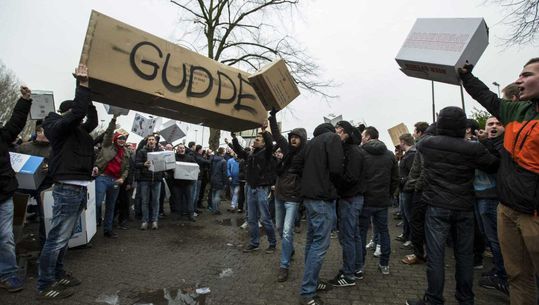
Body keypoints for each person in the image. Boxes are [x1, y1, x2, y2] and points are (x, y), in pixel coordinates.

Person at [460, 59, 539, 305]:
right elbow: (487, 98)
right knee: (517, 275)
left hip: (534, 216)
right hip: (507, 209)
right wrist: (466, 76)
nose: (518, 80)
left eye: (526, 75)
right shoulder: (518, 110)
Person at [405, 106, 499, 305]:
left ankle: (434, 299)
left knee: (436, 254)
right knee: (464, 256)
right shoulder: (473, 148)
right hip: (464, 206)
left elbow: (427, 134)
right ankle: (466, 299)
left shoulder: (427, 144)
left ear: (440, 123)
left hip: (436, 206)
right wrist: (483, 141)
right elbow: (493, 165)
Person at [38, 64, 98, 299]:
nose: (79, 114)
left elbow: (90, 120)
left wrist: (92, 96)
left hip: (80, 188)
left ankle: (59, 273)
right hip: (67, 189)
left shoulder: (80, 132)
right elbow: (76, 114)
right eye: (75, 111)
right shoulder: (55, 124)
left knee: (64, 239)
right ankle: (44, 284)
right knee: (56, 240)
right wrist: (82, 85)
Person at [298, 123, 343, 305]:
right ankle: (307, 292)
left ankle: (313, 283)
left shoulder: (310, 143)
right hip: (322, 198)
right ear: (331, 130)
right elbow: (336, 169)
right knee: (320, 245)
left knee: (312, 242)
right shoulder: (332, 138)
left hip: (309, 197)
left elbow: (299, 166)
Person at [268, 108, 307, 282]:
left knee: (286, 231)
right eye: (292, 136)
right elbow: (276, 135)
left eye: (296, 137)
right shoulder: (286, 148)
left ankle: (284, 265)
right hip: (279, 194)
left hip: (292, 198)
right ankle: (289, 249)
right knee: (278, 227)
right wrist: (273, 115)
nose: (293, 139)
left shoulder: (307, 153)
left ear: (303, 139)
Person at [0, 85, 32, 293]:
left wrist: (25, 100)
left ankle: (8, 273)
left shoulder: (2, 135)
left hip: (3, 195)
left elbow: (16, 122)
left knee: (5, 236)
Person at [358, 126, 399, 276]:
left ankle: (360, 266)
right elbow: (395, 179)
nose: (361, 137)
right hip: (382, 201)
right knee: (384, 232)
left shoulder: (361, 153)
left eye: (363, 135)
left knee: (361, 233)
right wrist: (388, 195)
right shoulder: (389, 155)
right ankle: (384, 264)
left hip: (365, 200)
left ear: (368, 137)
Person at [327, 121, 364, 287]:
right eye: (336, 131)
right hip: (350, 198)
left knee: (348, 237)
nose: (337, 134)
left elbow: (351, 178)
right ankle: (355, 268)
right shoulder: (347, 150)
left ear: (348, 133)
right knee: (353, 235)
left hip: (350, 198)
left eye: (341, 132)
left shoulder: (353, 151)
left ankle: (349, 275)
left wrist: (335, 181)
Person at [229, 126, 277, 254]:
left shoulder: (267, 153)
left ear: (264, 143)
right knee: (251, 218)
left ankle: (272, 243)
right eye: (255, 138)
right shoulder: (251, 154)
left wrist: (265, 131)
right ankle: (254, 243)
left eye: (258, 139)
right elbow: (239, 152)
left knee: (265, 218)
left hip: (261, 188)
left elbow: (270, 145)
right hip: (250, 188)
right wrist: (234, 138)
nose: (255, 140)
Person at [93, 115, 130, 238]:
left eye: (123, 139)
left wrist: (123, 178)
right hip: (102, 178)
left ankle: (107, 230)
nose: (121, 140)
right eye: (120, 138)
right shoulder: (108, 145)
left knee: (111, 206)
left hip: (115, 181)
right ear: (115, 139)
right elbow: (109, 133)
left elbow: (127, 168)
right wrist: (114, 120)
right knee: (97, 203)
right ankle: (93, 224)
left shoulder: (126, 152)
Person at [135, 134, 163, 230]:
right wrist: (143, 164)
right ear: (147, 141)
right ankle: (145, 221)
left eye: (153, 139)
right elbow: (136, 164)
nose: (151, 141)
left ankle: (154, 221)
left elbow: (165, 164)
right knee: (145, 201)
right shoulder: (142, 152)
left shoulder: (160, 152)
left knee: (155, 201)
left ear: (155, 141)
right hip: (145, 180)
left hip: (157, 180)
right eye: (149, 139)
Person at [395, 133, 415, 249]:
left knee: (409, 215)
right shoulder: (408, 154)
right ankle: (407, 235)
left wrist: (403, 180)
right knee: (405, 214)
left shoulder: (411, 155)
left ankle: (412, 238)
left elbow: (413, 173)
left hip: (407, 189)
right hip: (404, 188)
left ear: (403, 142)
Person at [172, 143, 197, 221]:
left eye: (183, 148)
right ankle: (178, 214)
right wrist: (172, 170)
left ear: (185, 149)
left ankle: (191, 215)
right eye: (180, 148)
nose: (181, 149)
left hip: (187, 183)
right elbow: (169, 168)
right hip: (177, 183)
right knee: (178, 199)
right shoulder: (173, 158)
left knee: (189, 199)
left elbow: (195, 167)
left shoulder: (189, 158)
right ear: (177, 149)